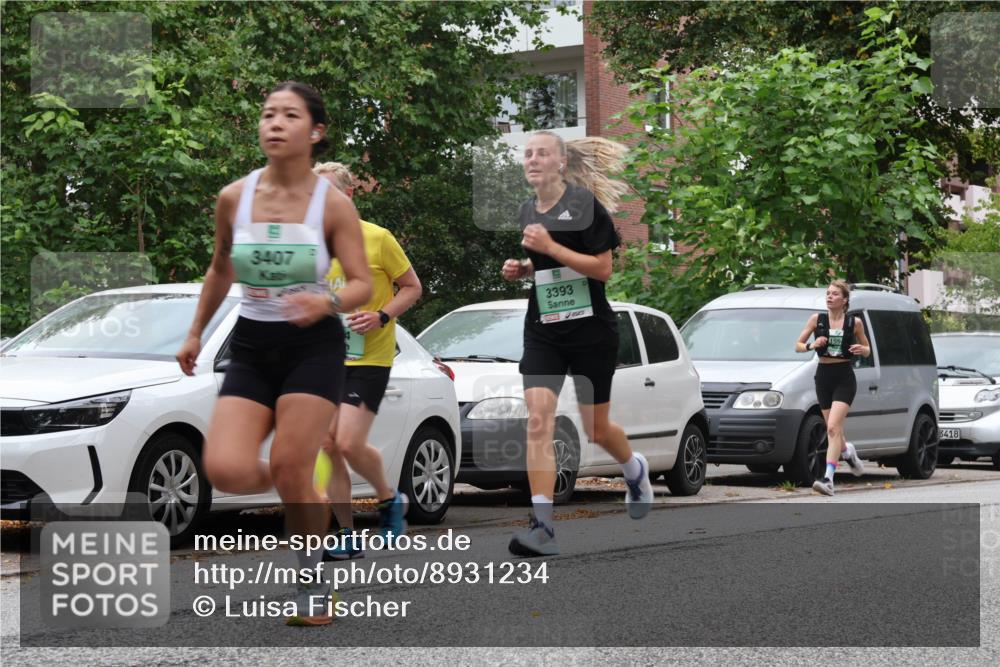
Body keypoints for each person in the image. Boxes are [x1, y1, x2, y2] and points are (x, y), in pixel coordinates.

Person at [176, 82, 371, 625]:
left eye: (290, 115)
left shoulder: (331, 205)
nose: (275, 124)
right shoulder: (234, 197)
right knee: (227, 469)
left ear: (316, 131)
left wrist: (323, 299)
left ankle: (312, 583)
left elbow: (361, 285)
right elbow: (221, 268)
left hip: (314, 347)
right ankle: (299, 486)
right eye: (267, 115)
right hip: (254, 344)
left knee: (289, 459)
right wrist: (195, 333)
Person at [501, 131, 653, 558]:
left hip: (590, 331)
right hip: (544, 329)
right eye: (527, 153)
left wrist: (548, 246)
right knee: (538, 420)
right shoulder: (527, 209)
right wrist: (525, 268)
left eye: (542, 153)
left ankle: (633, 469)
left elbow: (602, 269)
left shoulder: (585, 207)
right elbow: (549, 263)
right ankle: (542, 526)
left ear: (561, 163)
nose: (532, 159)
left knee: (596, 428)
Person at [312, 161, 422, 559]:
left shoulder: (377, 239)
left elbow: (412, 287)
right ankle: (346, 534)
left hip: (369, 359)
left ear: (349, 195)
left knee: (347, 441)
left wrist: (381, 316)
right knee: (328, 444)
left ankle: (390, 499)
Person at [795, 280, 871, 496]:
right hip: (823, 376)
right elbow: (798, 345)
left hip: (844, 377)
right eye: (828, 293)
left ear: (844, 300)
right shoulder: (816, 320)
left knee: (832, 429)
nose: (829, 297)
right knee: (833, 429)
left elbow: (867, 349)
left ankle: (828, 479)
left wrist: (861, 349)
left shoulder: (854, 323)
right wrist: (811, 344)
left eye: (835, 294)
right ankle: (848, 453)